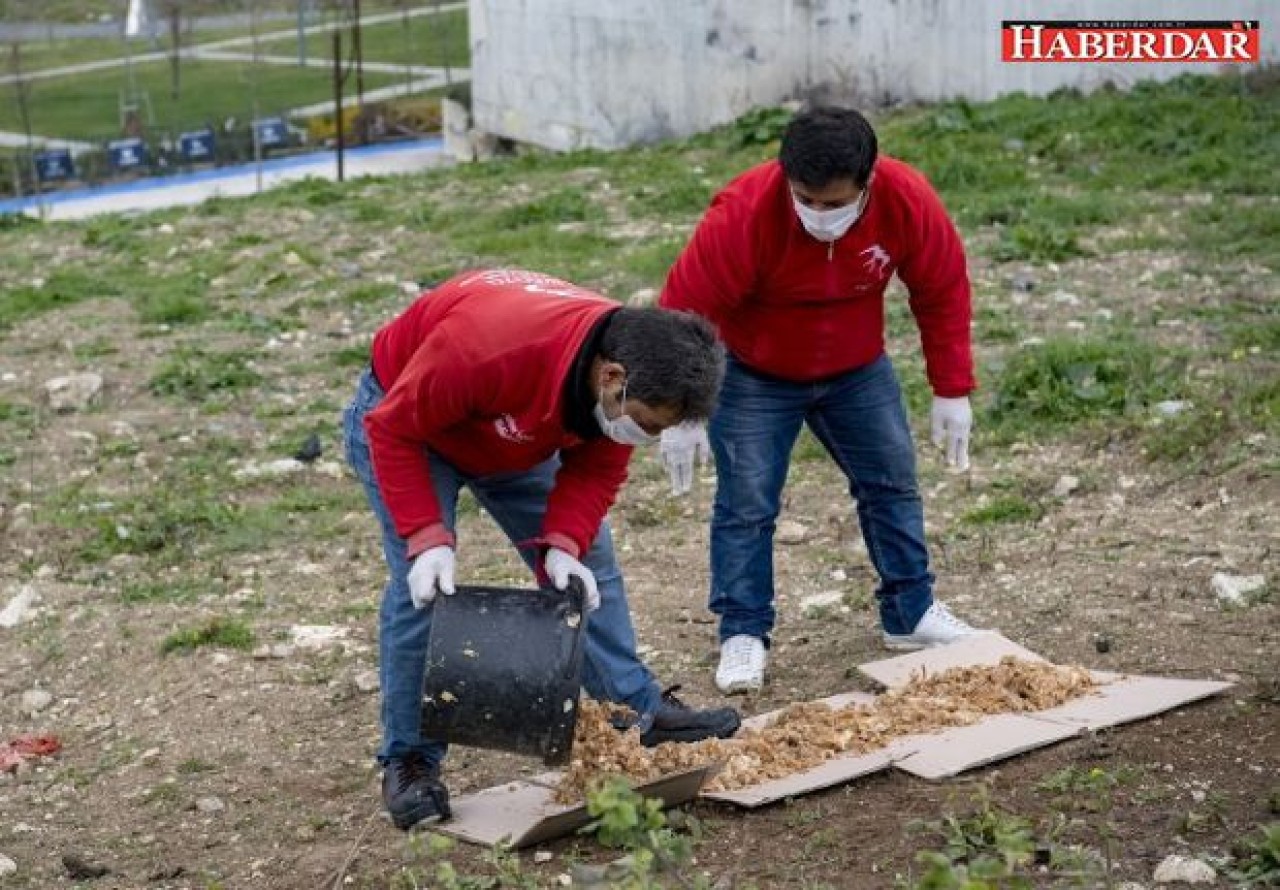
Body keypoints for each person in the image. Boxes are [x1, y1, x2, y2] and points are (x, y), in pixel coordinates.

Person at [343, 268, 741, 831]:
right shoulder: (489, 345)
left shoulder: (621, 368)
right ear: (612, 377)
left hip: (513, 433)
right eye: (648, 424)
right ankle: (409, 760)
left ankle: (635, 709)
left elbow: (599, 464)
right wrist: (427, 537)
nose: (647, 438)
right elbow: (393, 428)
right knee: (422, 592)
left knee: (587, 570)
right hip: (409, 424)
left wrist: (563, 543)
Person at [658, 106, 984, 695]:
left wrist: (951, 387)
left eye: (837, 204)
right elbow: (684, 310)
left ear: (868, 182)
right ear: (787, 178)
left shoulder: (906, 199)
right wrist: (682, 407)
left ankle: (910, 613)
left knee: (891, 484)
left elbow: (942, 287)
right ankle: (743, 631)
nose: (821, 215)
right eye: (808, 200)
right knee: (747, 505)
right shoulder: (744, 213)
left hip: (857, 370)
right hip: (755, 374)